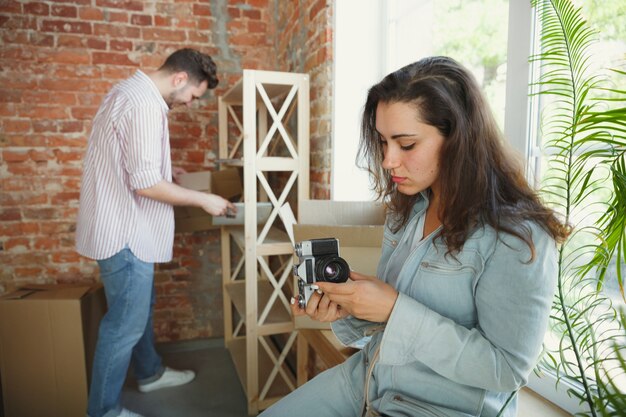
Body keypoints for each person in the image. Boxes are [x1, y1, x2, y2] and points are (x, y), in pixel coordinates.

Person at [260, 56, 570, 417]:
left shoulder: (518, 237)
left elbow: (505, 369)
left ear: (458, 138)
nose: (389, 160)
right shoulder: (409, 207)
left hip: (435, 407)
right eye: (382, 141)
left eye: (406, 145)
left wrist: (395, 310)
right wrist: (350, 307)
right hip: (370, 378)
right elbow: (390, 320)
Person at [76, 48, 236, 417]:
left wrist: (169, 168)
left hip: (116, 225)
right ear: (180, 79)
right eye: (193, 96)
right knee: (122, 327)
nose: (189, 104)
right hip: (125, 232)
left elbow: (129, 159)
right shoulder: (145, 105)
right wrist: (203, 199)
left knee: (137, 311)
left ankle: (149, 373)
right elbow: (145, 183)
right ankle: (103, 411)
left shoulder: (126, 92)